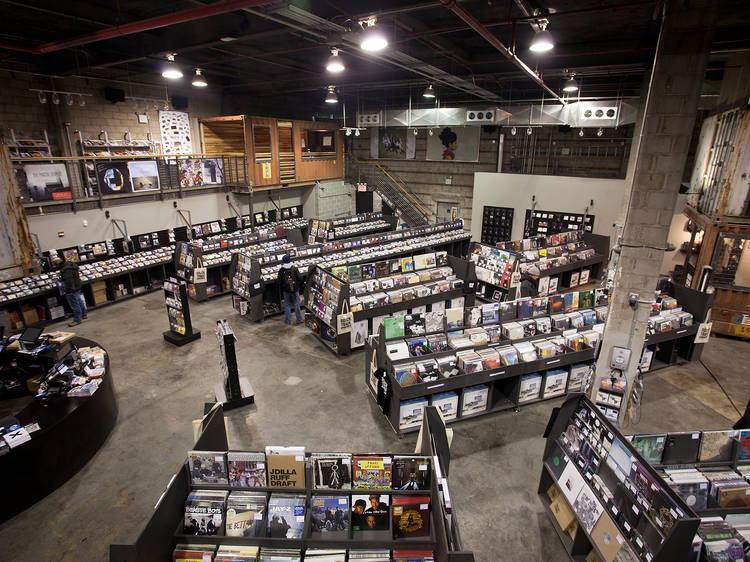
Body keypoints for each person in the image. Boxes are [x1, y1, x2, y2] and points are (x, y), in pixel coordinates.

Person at [54, 256, 87, 326]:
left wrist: (68, 290)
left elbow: (69, 281)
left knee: (74, 304)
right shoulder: (71, 265)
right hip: (77, 286)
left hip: (72, 288)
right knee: (79, 301)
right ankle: (84, 314)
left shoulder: (66, 269)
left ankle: (77, 320)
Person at [278, 254, 302, 324]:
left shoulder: (281, 270)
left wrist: (284, 285)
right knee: (296, 304)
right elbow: (300, 278)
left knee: (287, 305)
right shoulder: (294, 268)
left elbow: (279, 281)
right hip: (295, 289)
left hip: (286, 290)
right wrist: (297, 284)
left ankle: (288, 320)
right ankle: (299, 319)